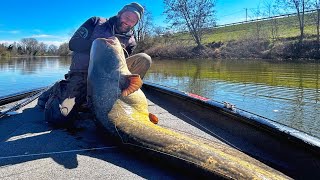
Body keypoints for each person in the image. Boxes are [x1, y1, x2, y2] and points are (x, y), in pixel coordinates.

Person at [37, 2, 152, 127]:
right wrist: (100, 45)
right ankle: (56, 90)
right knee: (59, 117)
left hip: (108, 77)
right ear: (119, 14)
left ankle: (118, 99)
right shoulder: (96, 22)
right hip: (82, 75)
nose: (128, 22)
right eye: (127, 17)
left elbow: (123, 66)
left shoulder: (131, 41)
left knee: (144, 59)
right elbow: (73, 44)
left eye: (133, 21)